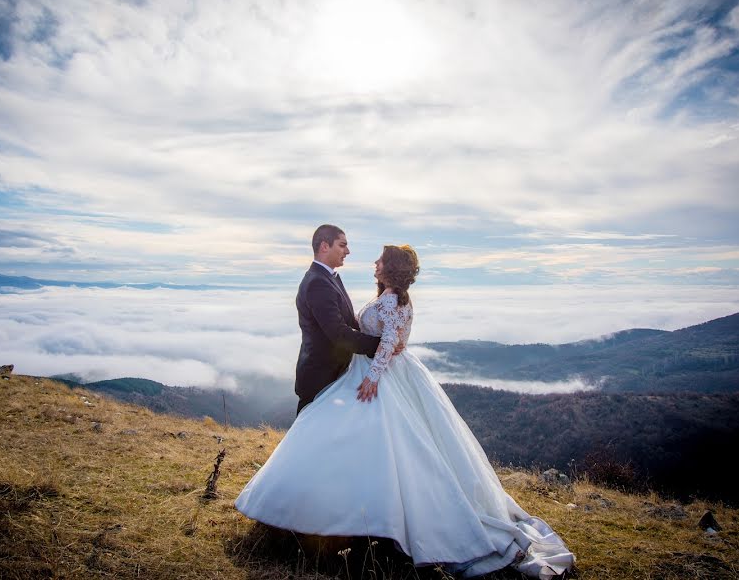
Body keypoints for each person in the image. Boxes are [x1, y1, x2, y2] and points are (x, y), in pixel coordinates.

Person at [236, 244, 575, 578]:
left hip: (379, 374)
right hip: (379, 369)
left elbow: (388, 342)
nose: (374, 262)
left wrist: (371, 377)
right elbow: (388, 338)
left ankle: (364, 518)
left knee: (385, 440)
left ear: (390, 267)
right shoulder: (393, 296)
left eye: (379, 260)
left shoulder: (389, 299)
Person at [293, 224, 383, 415]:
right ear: (325, 246)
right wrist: (380, 345)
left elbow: (349, 321)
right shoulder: (318, 282)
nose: (348, 251)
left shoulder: (329, 278)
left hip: (335, 376)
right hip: (320, 379)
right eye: (342, 245)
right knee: (309, 439)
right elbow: (339, 334)